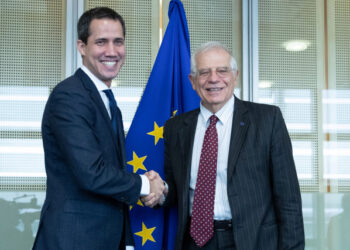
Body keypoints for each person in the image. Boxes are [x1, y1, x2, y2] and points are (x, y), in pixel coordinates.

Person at [149, 41, 305, 249]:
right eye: (204, 72)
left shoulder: (268, 119)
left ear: (235, 75)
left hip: (252, 241)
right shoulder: (176, 128)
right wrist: (160, 191)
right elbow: (178, 190)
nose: (214, 79)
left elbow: (288, 199)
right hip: (194, 243)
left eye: (222, 70)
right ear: (193, 81)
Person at [32, 7, 164, 250]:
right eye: (101, 42)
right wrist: (145, 185)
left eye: (118, 42)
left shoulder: (106, 100)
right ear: (82, 47)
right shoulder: (69, 96)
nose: (111, 51)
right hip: (74, 239)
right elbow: (91, 172)